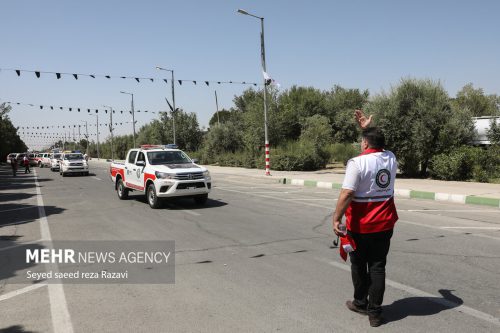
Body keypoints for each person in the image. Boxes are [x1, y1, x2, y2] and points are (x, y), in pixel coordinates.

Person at [333, 109, 398, 327]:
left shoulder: (357, 163)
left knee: (359, 265)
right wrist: (367, 129)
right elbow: (378, 146)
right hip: (385, 223)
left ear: (365, 144)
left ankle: (360, 302)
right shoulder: (390, 157)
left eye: (362, 141)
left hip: (361, 226)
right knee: (378, 267)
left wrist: (336, 218)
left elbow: (347, 193)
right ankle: (375, 314)